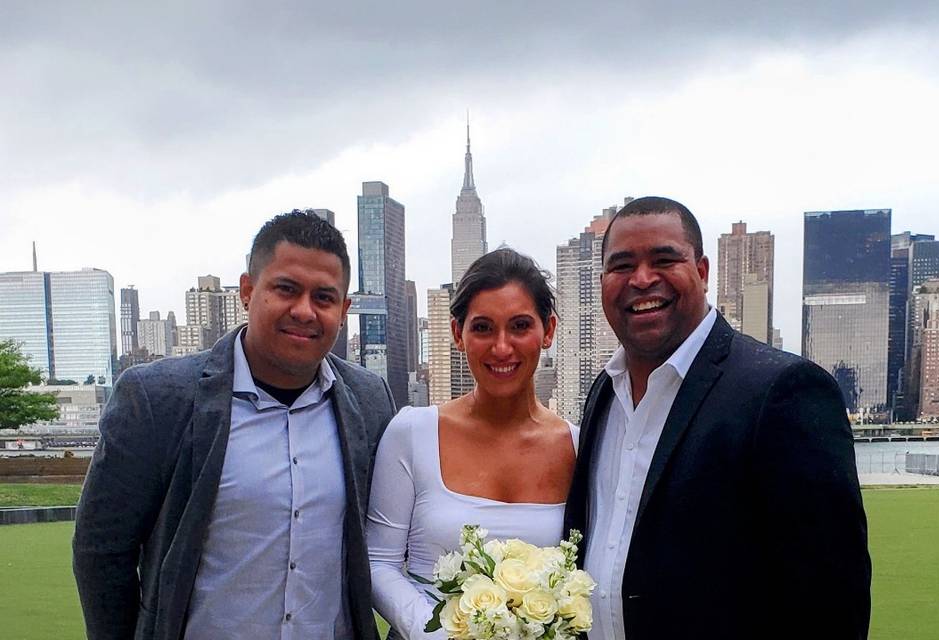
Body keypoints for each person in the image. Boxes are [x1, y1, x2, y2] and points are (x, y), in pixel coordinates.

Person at [73, 211, 396, 640]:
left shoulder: (370, 400)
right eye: (286, 289)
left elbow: (394, 546)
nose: (304, 311)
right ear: (247, 291)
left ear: (344, 310)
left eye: (323, 297)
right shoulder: (158, 399)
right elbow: (101, 551)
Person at [564, 196, 871, 639]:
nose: (643, 279)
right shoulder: (604, 393)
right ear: (602, 281)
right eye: (622, 265)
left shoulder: (783, 392)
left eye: (664, 259)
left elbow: (832, 601)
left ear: (702, 272)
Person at [367, 248, 577, 640]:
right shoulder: (411, 433)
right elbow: (379, 562)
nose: (501, 347)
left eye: (519, 326)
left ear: (547, 331)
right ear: (456, 334)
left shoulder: (581, 447)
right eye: (482, 328)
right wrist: (441, 635)